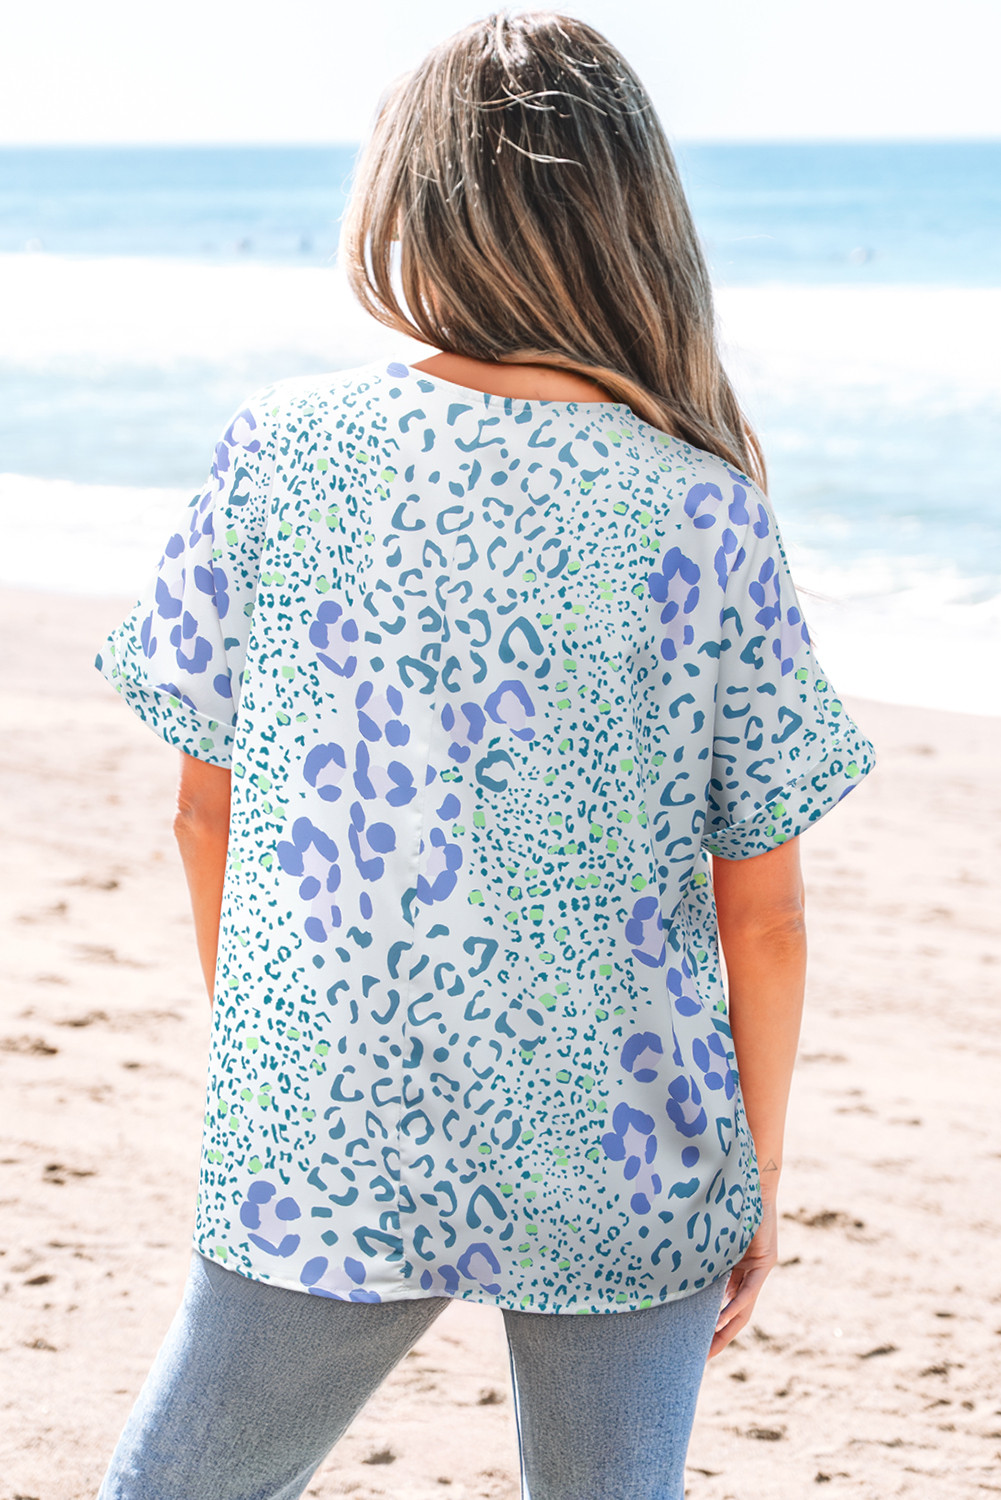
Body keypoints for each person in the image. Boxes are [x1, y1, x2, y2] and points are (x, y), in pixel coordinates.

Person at [93, 11, 874, 1499]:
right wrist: (755, 1181)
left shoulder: (286, 449)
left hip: (334, 1116)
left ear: (409, 202)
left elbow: (206, 817)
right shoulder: (702, 507)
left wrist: (281, 1064)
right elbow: (762, 912)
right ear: (635, 224)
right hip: (625, 1143)